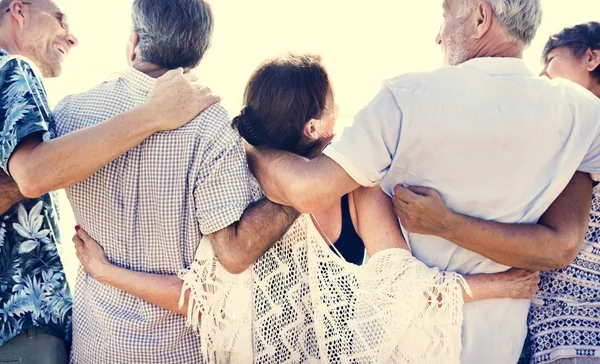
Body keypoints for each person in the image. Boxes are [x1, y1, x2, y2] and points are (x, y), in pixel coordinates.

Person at [73, 52, 541, 363]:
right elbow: (401, 289)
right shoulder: (357, 187)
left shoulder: (234, 186)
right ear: (316, 126)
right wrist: (498, 284)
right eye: (335, 105)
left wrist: (106, 271)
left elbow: (197, 298)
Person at [244, 1, 600, 363]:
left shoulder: (407, 99)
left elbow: (306, 190)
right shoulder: (582, 115)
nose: (438, 36)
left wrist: (254, 148)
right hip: (498, 345)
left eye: (446, 15)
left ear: (480, 17)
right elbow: (560, 247)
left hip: (402, 344)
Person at [55, 0, 299, 362]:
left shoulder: (70, 113)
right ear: (198, 55)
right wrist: (301, 187)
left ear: (135, 41)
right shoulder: (211, 125)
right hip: (179, 351)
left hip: (96, 346)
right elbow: (230, 261)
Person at [0, 0, 214, 362]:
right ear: (18, 10)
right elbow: (33, 174)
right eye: (60, 18)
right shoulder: (13, 68)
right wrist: (152, 115)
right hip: (23, 320)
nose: (72, 37)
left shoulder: (61, 107)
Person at [394, 21, 600, 364]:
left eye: (550, 60)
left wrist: (445, 224)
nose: (541, 74)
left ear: (592, 57)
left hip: (576, 338)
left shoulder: (583, 140)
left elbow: (560, 246)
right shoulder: (567, 138)